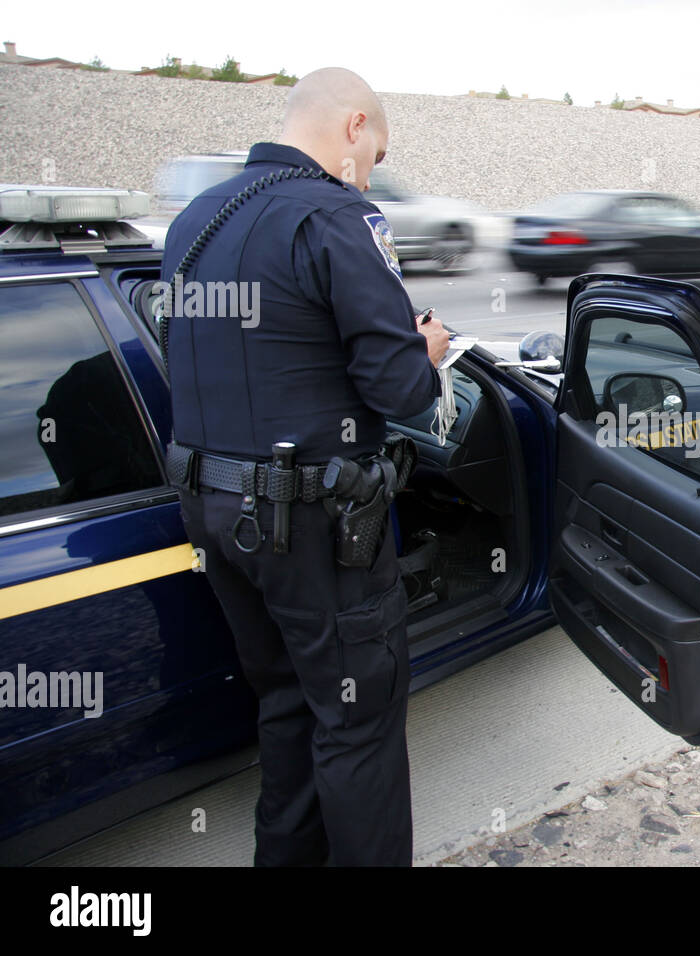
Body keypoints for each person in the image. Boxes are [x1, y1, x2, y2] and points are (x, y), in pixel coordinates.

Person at [161, 67, 449, 866]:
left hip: (216, 519)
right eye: (377, 152)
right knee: (358, 722)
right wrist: (425, 350)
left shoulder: (194, 221)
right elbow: (401, 390)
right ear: (354, 126)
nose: (372, 172)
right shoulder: (338, 214)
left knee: (287, 706)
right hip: (315, 531)